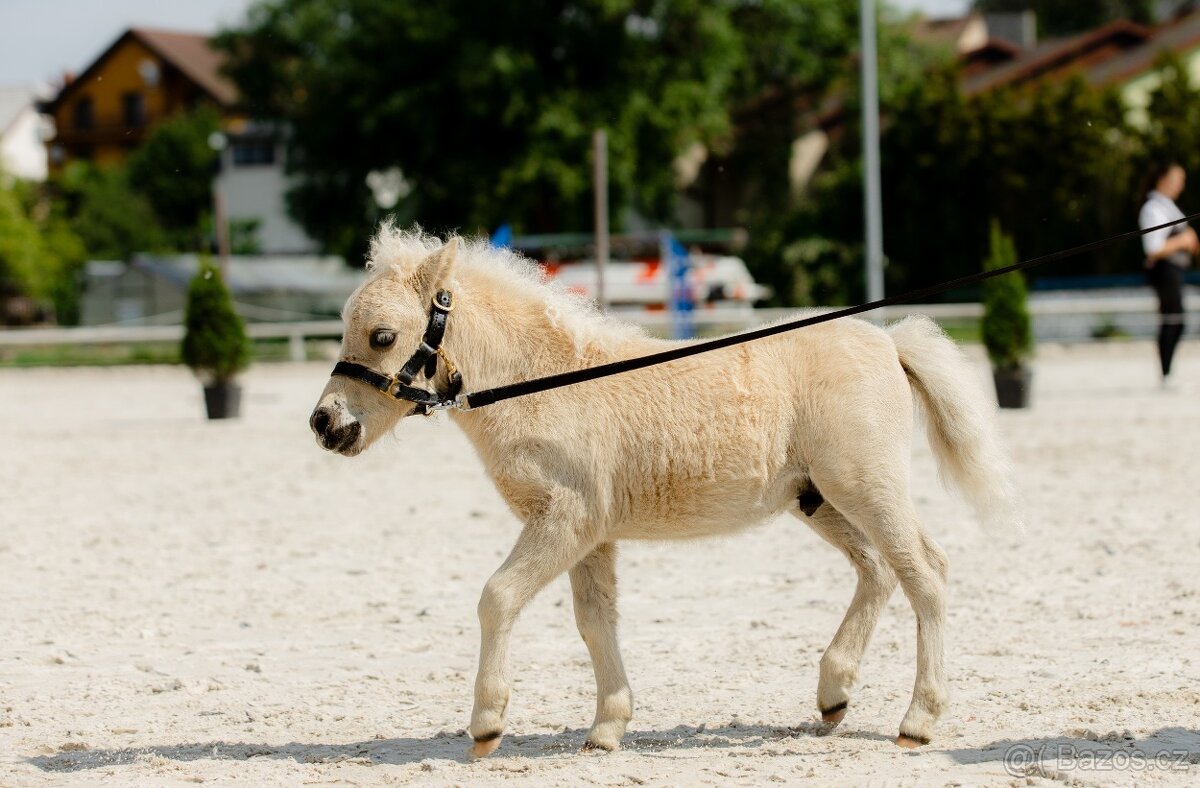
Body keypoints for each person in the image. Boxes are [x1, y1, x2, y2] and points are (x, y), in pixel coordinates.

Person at [1139, 162, 1195, 387]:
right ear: (1162, 179)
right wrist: (1183, 240)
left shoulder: (1167, 206)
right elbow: (1153, 247)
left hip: (1174, 271)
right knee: (1172, 321)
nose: (1180, 186)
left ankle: (1167, 373)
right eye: (1176, 180)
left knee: (1176, 320)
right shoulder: (1153, 208)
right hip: (1165, 271)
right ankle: (1165, 374)